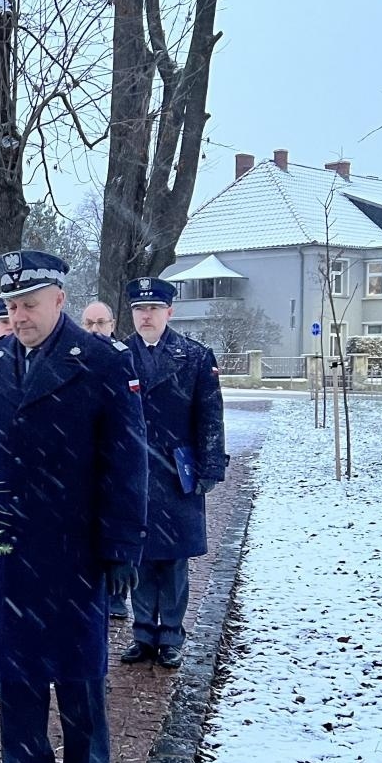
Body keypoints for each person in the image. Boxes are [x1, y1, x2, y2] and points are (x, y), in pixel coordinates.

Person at [0, 251, 148, 763]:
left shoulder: (97, 362)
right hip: (5, 550)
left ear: (59, 300)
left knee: (79, 678)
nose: (19, 316)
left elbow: (126, 459)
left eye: (30, 304)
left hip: (74, 549)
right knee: (14, 677)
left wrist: (121, 544)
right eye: (12, 306)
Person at [118, 277, 229, 669]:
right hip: (132, 471)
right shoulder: (117, 356)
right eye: (138, 309)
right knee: (141, 555)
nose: (145, 316)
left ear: (170, 311)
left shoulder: (195, 356)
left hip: (176, 468)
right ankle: (143, 632)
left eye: (153, 309)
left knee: (175, 557)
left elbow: (209, 415)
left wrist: (211, 464)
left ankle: (172, 635)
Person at [80, 300, 130, 622]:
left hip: (117, 458)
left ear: (112, 324)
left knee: (117, 526)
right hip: (84, 463)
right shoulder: (74, 358)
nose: (95, 329)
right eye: (89, 323)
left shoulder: (123, 357)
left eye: (101, 322)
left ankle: (117, 597)